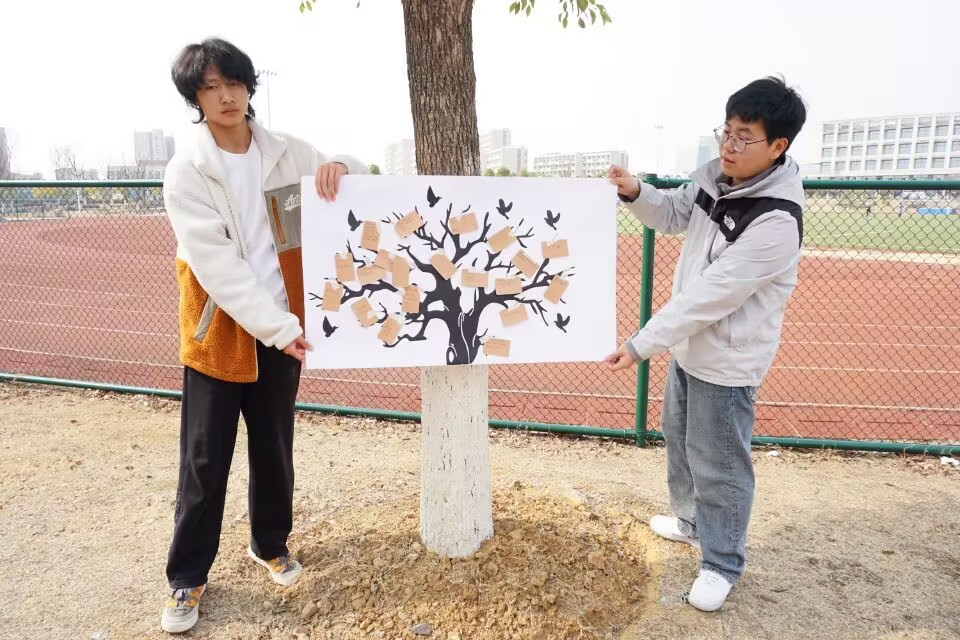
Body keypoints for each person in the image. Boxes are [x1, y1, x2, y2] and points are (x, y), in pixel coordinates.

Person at [159, 37, 367, 634]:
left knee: (274, 449)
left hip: (283, 329)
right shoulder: (188, 169)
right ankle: (186, 577)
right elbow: (218, 267)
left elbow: (353, 175)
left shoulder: (285, 152)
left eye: (234, 84)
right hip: (221, 334)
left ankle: (269, 543)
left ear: (250, 87)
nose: (226, 96)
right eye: (210, 88)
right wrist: (278, 328)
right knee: (205, 461)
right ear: (195, 98)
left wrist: (341, 165)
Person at [606, 76, 807, 612]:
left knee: (719, 462)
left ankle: (721, 562)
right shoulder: (716, 179)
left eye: (744, 137)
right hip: (690, 349)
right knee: (679, 438)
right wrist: (634, 191)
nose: (729, 146)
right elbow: (672, 212)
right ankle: (691, 521)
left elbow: (709, 297)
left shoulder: (776, 219)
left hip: (728, 360)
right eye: (726, 131)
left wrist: (641, 343)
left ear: (778, 146)